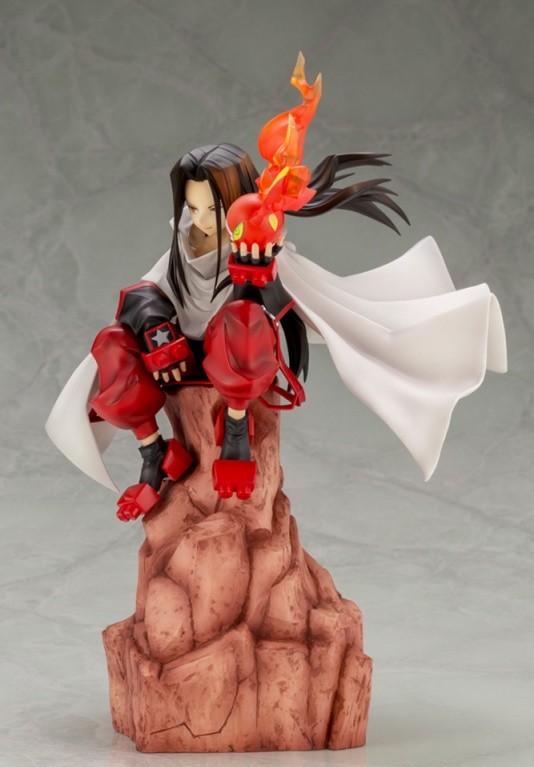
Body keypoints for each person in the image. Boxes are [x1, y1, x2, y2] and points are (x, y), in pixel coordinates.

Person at [46, 55, 506, 521]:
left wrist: (256, 275)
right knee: (111, 342)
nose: (201, 222)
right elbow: (144, 291)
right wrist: (156, 330)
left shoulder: (257, 242)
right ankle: (154, 451)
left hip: (234, 372)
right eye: (193, 208)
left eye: (212, 210)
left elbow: (287, 309)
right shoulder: (182, 244)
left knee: (244, 321)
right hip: (177, 363)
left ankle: (236, 430)